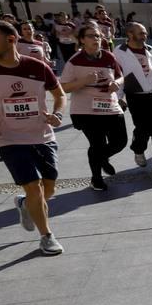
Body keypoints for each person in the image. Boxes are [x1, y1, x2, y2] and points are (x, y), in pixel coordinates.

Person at [0, 20, 67, 256]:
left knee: (48, 189)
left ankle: (24, 204)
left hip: (42, 136)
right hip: (9, 139)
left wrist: (56, 114)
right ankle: (47, 236)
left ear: (11, 39)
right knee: (33, 187)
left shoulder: (38, 66)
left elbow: (60, 95)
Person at [60, 24, 127, 191]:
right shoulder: (74, 61)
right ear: (82, 40)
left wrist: (116, 83)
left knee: (120, 142)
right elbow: (63, 87)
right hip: (86, 110)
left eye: (97, 36)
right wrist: (84, 81)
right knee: (96, 144)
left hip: (110, 107)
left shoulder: (109, 57)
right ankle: (96, 179)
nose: (96, 39)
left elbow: (120, 77)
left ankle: (102, 158)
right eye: (91, 36)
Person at [113, 22, 152, 174]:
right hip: (136, 97)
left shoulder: (151, 50)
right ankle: (138, 148)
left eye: (145, 33)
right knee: (143, 128)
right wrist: (119, 97)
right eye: (141, 33)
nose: (144, 36)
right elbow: (117, 77)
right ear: (130, 34)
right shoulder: (119, 52)